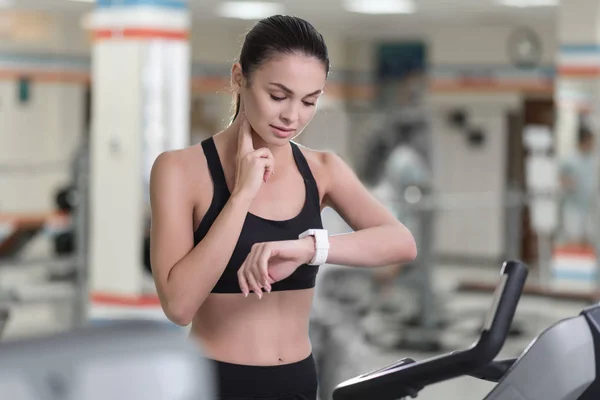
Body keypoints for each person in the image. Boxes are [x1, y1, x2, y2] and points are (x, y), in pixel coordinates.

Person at [149, 15, 417, 400]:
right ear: (240, 77)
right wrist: (241, 195)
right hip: (214, 382)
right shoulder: (179, 170)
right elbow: (179, 305)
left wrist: (310, 248)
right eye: (278, 96)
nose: (293, 116)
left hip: (298, 381)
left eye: (310, 101)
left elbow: (401, 242)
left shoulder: (321, 168)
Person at [558, 125, 596, 247]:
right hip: (573, 207)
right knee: (574, 240)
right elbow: (561, 178)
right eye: (591, 141)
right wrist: (569, 183)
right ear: (583, 140)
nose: (593, 144)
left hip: (589, 208)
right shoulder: (570, 159)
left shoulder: (592, 159)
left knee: (588, 240)